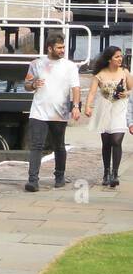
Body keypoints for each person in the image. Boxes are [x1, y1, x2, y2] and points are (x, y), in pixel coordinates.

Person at [23, 33, 81, 192]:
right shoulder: (37, 64)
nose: (62, 50)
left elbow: (75, 87)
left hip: (59, 112)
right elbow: (26, 85)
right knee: (36, 145)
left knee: (59, 146)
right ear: (50, 48)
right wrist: (34, 84)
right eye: (59, 47)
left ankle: (59, 176)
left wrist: (76, 106)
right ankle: (33, 180)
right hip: (38, 112)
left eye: (63, 47)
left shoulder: (70, 66)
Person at [84, 47, 132, 187]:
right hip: (104, 108)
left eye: (121, 56)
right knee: (106, 142)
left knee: (116, 140)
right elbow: (92, 93)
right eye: (117, 57)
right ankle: (106, 172)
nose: (120, 59)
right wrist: (88, 106)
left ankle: (115, 173)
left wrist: (126, 94)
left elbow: (132, 88)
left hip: (120, 108)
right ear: (109, 59)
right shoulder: (100, 74)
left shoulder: (125, 72)